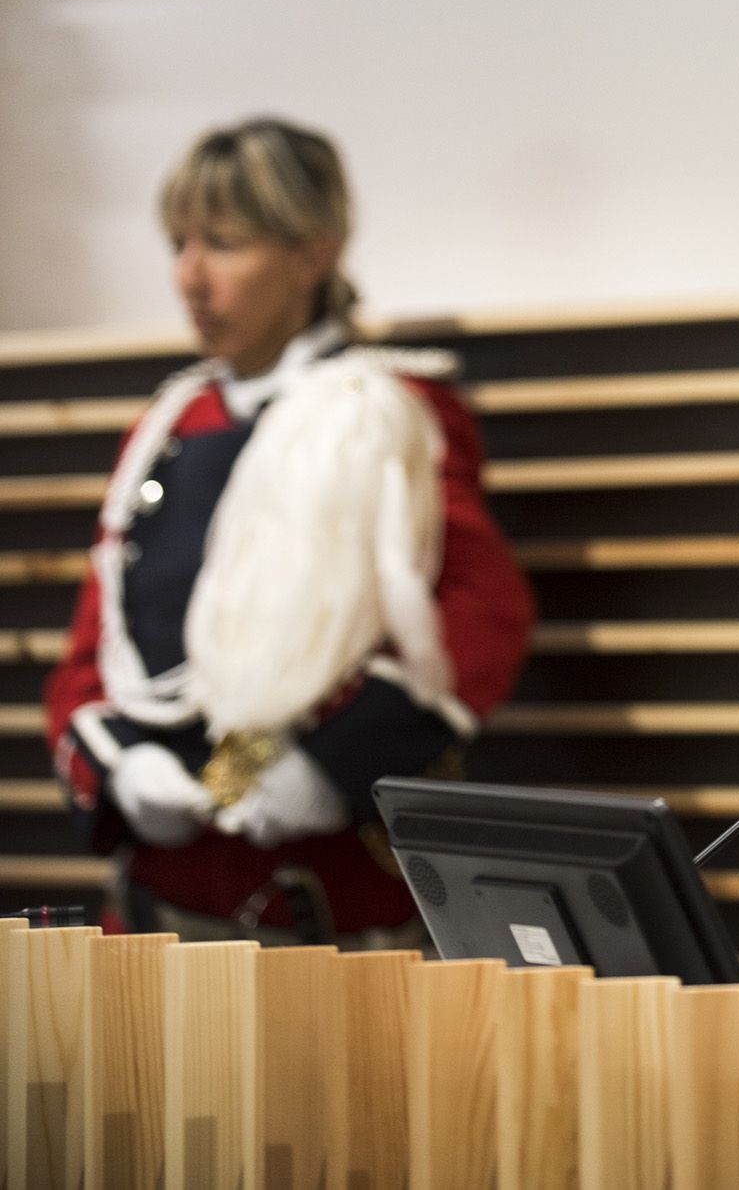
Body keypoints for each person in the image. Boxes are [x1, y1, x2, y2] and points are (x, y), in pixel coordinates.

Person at [45, 117, 534, 942]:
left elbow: (480, 616)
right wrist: (121, 766)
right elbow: (97, 649)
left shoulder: (385, 409)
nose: (191, 277)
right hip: (159, 908)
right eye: (178, 244)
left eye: (224, 243)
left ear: (313, 252)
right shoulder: (167, 427)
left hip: (318, 906)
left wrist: (332, 766)